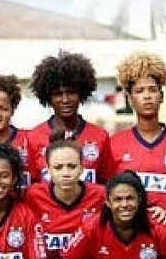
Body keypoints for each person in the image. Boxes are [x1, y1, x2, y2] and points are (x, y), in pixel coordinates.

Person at [110, 52, 166, 210]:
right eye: (139, 91)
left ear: (161, 96)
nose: (147, 96)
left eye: (152, 90)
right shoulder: (115, 144)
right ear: (130, 99)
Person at [22, 51, 112, 185]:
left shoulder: (100, 137)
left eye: (71, 92)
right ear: (48, 97)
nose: (65, 100)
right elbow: (33, 187)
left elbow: (106, 185)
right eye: (58, 94)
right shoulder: (34, 137)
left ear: (81, 94)